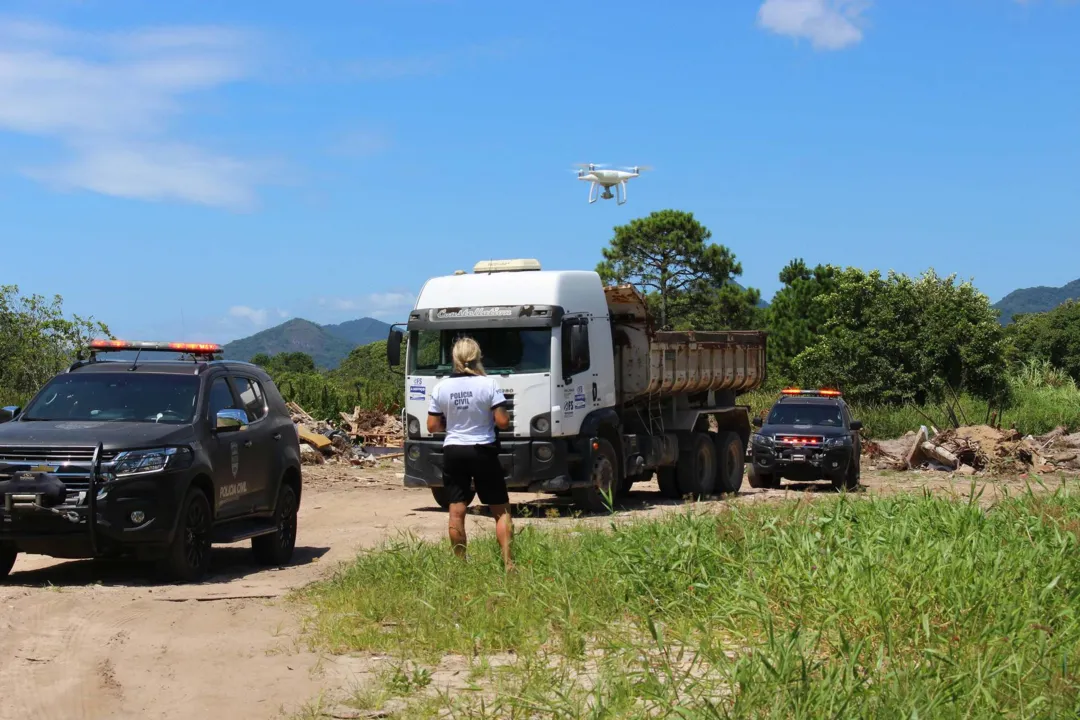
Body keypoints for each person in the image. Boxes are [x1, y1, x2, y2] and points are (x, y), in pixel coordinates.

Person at [427, 336, 514, 569]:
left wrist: (454, 426)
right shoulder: (489, 385)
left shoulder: (441, 387)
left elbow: (432, 426)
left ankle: (460, 565)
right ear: (478, 358)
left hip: (453, 450)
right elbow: (502, 421)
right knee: (500, 509)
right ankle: (508, 564)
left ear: (454, 358)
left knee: (456, 510)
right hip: (483, 450)